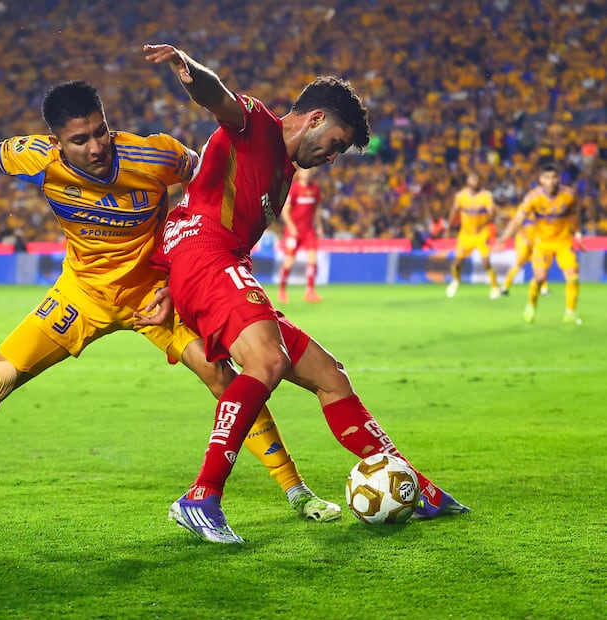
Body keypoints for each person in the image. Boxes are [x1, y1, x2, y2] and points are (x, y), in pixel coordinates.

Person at [0, 80, 342, 522]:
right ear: (57, 142)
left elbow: (209, 186)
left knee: (226, 379)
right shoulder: (36, 157)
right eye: (80, 140)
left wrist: (181, 271)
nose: (96, 147)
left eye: (100, 131)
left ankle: (297, 492)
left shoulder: (155, 154)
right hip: (82, 293)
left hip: (153, 294)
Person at [140, 43, 469, 544]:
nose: (332, 157)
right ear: (314, 118)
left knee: (331, 376)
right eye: (334, 143)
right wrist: (189, 71)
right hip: (209, 260)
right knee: (266, 363)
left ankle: (413, 484)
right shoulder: (260, 126)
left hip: (214, 268)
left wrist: (169, 283)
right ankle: (201, 495)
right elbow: (218, 97)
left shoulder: (285, 173)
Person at [497, 164, 584, 324]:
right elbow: (517, 220)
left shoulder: (569, 195)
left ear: (559, 179)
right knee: (540, 277)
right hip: (542, 243)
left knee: (573, 274)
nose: (551, 181)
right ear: (541, 180)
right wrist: (503, 238)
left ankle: (570, 312)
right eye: (547, 178)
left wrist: (577, 234)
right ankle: (531, 305)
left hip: (563, 242)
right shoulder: (533, 197)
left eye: (554, 177)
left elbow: (573, 216)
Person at [444, 172, 501, 300]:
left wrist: (484, 224)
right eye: (472, 178)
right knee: (457, 262)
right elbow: (455, 210)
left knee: (486, 262)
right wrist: (448, 227)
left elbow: (492, 213)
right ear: (467, 181)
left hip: (481, 233)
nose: (474, 181)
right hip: (466, 234)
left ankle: (495, 286)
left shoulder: (486, 196)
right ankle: (456, 281)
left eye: (477, 178)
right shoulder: (461, 196)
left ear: (480, 181)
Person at [278, 167, 324, 303]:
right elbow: (285, 211)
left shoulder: (315, 189)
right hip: (294, 231)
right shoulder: (294, 188)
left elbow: (316, 209)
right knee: (290, 260)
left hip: (308, 230)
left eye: (309, 171)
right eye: (305, 171)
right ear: (300, 173)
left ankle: (310, 291)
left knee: (313, 259)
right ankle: (282, 290)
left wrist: (319, 226)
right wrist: (291, 227)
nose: (307, 174)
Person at [499, 211, 548, 297]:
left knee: (539, 264)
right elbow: (516, 225)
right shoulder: (523, 212)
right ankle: (505, 287)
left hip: (535, 242)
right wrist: (525, 238)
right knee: (519, 264)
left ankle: (543, 289)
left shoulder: (539, 212)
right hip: (523, 242)